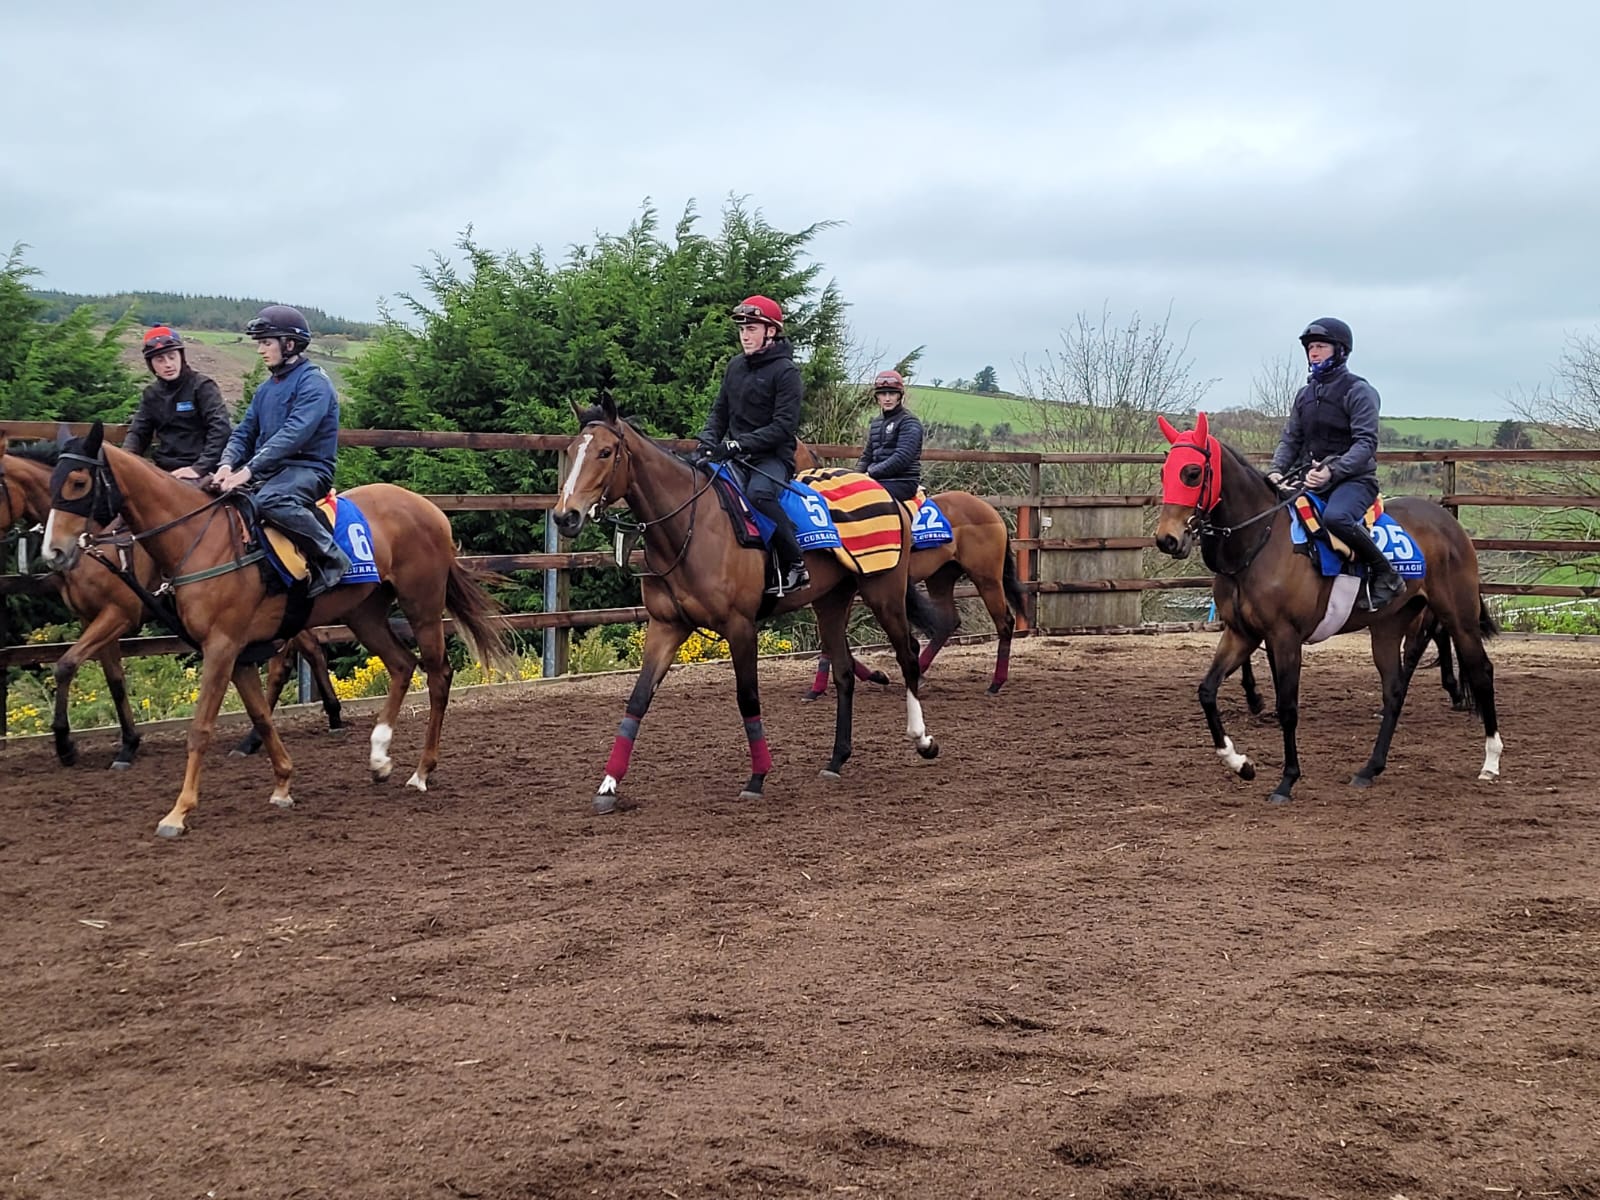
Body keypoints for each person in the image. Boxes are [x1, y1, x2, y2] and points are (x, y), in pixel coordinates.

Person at [212, 304, 351, 596]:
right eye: (259, 344)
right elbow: (244, 432)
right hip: (273, 469)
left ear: (289, 344)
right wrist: (226, 465)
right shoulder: (266, 389)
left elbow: (293, 435)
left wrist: (247, 470)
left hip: (309, 470)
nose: (260, 350)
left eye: (266, 343)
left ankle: (331, 557)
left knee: (271, 500)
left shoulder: (315, 383)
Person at [1267, 317, 1404, 610]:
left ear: (1340, 350)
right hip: (1312, 478)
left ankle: (1386, 575)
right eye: (1310, 347)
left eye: (1320, 346)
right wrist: (1276, 471)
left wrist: (1332, 470)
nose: (1313, 352)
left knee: (1336, 518)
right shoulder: (1305, 395)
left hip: (1354, 481)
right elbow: (1290, 439)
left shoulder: (1359, 391)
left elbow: (1365, 444)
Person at [697, 295, 808, 594]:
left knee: (758, 494)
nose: (745, 335)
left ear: (770, 331)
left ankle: (795, 563)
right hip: (736, 454)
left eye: (752, 329)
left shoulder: (786, 372)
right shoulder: (735, 366)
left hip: (772, 458)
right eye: (742, 329)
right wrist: (707, 443)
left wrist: (736, 445)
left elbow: (783, 427)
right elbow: (719, 412)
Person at [123, 326, 232, 480]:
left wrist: (199, 468)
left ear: (181, 357)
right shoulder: (151, 394)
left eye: (172, 356)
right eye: (160, 360)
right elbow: (139, 431)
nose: (168, 364)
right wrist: (125, 459)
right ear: (151, 365)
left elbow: (220, 429)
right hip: (164, 468)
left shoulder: (202, 386)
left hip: (202, 470)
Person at [855, 369, 924, 502]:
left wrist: (870, 474)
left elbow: (901, 458)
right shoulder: (876, 423)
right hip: (878, 479)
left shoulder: (909, 422)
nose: (887, 398)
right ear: (877, 398)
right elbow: (867, 456)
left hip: (902, 481)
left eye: (892, 394)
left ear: (899, 396)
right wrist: (854, 476)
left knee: (867, 499)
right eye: (883, 394)